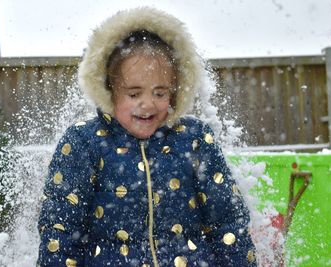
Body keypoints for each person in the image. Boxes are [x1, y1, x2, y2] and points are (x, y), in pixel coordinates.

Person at [37, 7, 256, 267]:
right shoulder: (84, 142)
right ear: (110, 90)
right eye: (134, 94)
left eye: (160, 93)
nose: (148, 104)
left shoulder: (195, 139)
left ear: (175, 92)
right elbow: (60, 229)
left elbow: (227, 222)